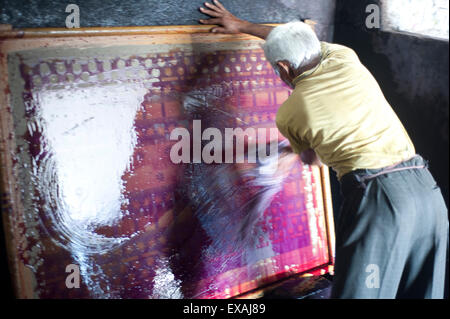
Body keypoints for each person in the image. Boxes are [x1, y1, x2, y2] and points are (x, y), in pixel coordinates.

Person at [199, 0, 449, 299]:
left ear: (283, 68)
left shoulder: (292, 111)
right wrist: (241, 25)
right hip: (427, 192)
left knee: (360, 293)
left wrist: (284, 152)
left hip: (382, 203)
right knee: (421, 292)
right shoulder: (344, 56)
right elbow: (296, 38)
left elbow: (313, 159)